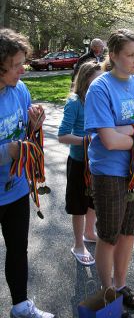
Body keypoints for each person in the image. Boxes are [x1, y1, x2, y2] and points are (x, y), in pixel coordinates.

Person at [84, 29, 134, 310]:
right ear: (114, 56)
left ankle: (121, 286)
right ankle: (108, 294)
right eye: (130, 55)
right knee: (108, 236)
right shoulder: (101, 88)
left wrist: (128, 129)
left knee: (129, 232)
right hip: (110, 174)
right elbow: (108, 140)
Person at [0, 28, 54, 318]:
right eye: (17, 63)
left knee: (18, 250)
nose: (24, 68)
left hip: (17, 188)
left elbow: (26, 135)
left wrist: (34, 124)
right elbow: (12, 147)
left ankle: (21, 306)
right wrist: (8, 151)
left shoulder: (20, 89)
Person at [58, 62, 102, 266]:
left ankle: (88, 233)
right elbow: (62, 136)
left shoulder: (99, 100)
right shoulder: (75, 102)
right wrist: (86, 140)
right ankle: (77, 245)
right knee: (78, 206)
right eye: (97, 79)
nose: (102, 83)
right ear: (86, 80)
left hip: (97, 160)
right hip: (78, 162)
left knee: (93, 200)